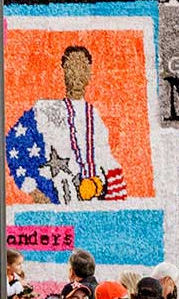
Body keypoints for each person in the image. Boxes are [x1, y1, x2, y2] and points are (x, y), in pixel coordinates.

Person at [7, 45, 129, 204]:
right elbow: (13, 143)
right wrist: (34, 191)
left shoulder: (94, 116)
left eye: (83, 67)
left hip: (91, 197)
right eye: (72, 67)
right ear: (63, 70)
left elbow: (104, 157)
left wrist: (100, 185)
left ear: (90, 72)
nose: (77, 74)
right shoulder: (45, 110)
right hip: (59, 196)